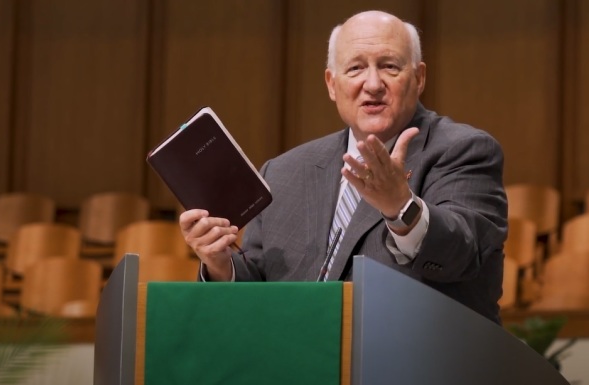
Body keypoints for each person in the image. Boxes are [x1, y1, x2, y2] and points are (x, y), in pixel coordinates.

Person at [179, 10, 507, 324]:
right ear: (332, 84)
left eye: (390, 66)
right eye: (355, 69)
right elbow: (261, 292)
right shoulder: (282, 173)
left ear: (419, 78)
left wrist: (402, 209)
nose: (373, 83)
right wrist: (220, 264)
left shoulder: (464, 151)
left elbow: (464, 256)